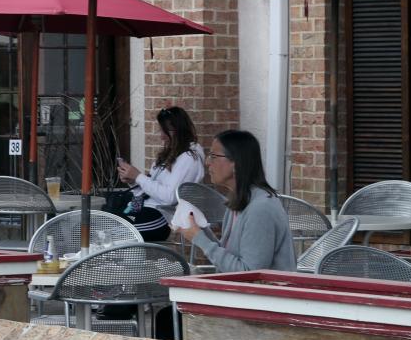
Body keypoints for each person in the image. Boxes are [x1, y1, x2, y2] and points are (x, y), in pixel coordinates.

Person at [181, 129, 296, 272]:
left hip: (265, 293)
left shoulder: (260, 209)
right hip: (238, 292)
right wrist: (201, 229)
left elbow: (250, 273)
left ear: (235, 163)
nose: (207, 162)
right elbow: (231, 256)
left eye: (213, 156)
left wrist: (199, 239)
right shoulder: (239, 201)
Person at [115, 106, 205, 242]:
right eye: (161, 130)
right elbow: (148, 190)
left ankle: (131, 262)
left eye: (165, 131)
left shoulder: (189, 157)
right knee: (104, 225)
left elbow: (170, 197)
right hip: (141, 208)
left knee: (112, 233)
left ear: (178, 130)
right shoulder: (168, 154)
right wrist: (132, 180)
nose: (161, 136)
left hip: (160, 216)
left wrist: (139, 176)